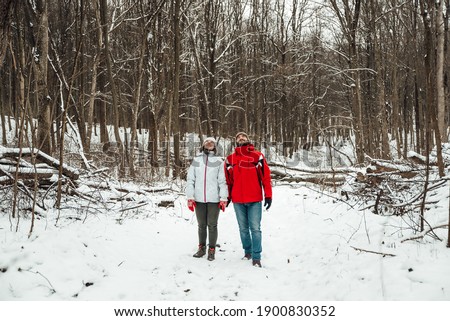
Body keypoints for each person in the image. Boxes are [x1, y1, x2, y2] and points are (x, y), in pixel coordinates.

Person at [225, 132, 272, 268]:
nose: (241, 138)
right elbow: (228, 181)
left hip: (254, 199)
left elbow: (266, 177)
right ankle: (248, 252)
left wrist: (268, 195)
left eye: (243, 137)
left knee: (255, 229)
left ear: (248, 139)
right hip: (238, 200)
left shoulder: (257, 156)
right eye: (238, 137)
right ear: (236, 141)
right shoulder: (230, 159)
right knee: (243, 229)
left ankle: (256, 257)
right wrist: (228, 197)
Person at [186, 137, 228, 261]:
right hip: (199, 199)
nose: (209, 143)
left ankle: (212, 250)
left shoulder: (219, 161)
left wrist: (223, 197)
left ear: (214, 146)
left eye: (211, 142)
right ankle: (201, 248)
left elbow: (222, 181)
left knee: (212, 225)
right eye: (207, 142)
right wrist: (190, 196)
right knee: (201, 225)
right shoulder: (197, 160)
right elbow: (190, 180)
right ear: (203, 145)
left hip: (214, 199)